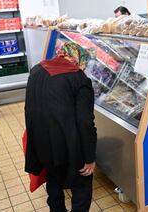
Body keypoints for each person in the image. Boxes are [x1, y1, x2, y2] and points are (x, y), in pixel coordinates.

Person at [24, 42, 97, 211]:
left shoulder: (36, 70)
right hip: (70, 145)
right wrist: (89, 158)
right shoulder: (79, 79)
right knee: (82, 185)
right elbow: (85, 122)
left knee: (54, 179)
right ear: (78, 58)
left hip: (42, 142)